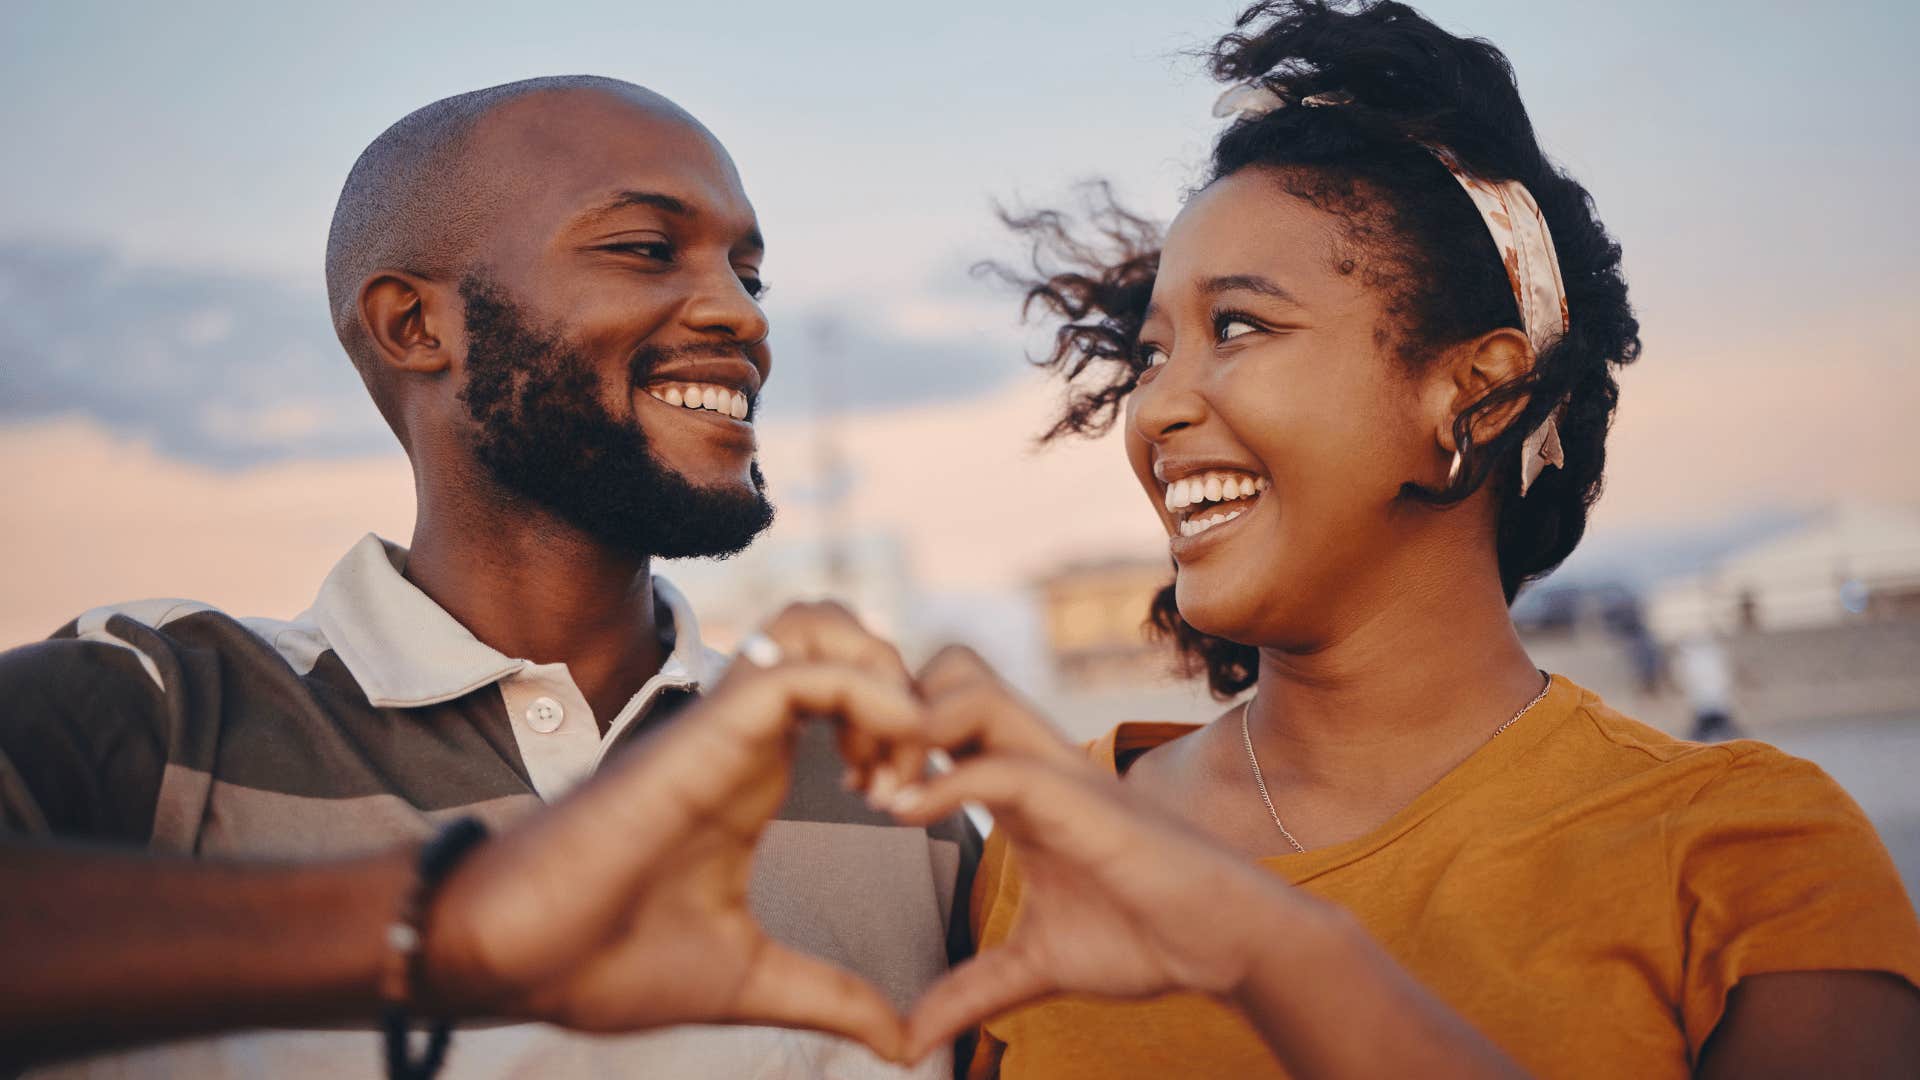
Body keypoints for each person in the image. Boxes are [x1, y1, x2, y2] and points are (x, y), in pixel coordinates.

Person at [934, 2, 1920, 1076]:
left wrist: (1276, 951)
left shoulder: (1749, 857)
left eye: (1239, 327)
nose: (1158, 409)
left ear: (1476, 391)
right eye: (1152, 353)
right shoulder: (1056, 836)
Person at [0, 77, 974, 1078]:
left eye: (749, 274)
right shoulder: (165, 711)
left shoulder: (893, 791)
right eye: (645, 248)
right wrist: (444, 929)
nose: (740, 314)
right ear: (414, 326)